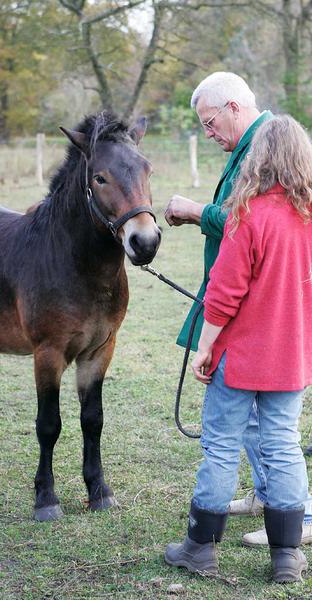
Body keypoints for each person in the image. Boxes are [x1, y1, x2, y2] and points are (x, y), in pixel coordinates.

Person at [164, 71, 312, 547]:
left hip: (244, 346)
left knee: (221, 443)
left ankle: (200, 547)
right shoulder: (304, 212)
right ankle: (288, 550)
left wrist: (207, 348)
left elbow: (226, 291)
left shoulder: (250, 216)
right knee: (284, 442)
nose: (208, 135)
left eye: (209, 123)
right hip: (291, 351)